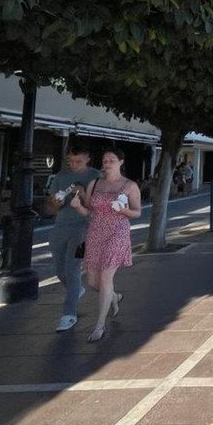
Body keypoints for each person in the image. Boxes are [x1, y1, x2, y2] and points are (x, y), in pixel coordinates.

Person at [69, 147, 140, 343]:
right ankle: (114, 297)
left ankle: (99, 325)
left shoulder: (129, 185)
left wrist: (124, 211)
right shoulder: (94, 184)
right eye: (105, 160)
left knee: (106, 277)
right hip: (95, 232)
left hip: (117, 231)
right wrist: (78, 207)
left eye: (111, 160)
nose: (107, 163)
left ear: (121, 162)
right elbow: (89, 211)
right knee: (93, 282)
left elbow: (137, 212)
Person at [44, 147, 100, 333]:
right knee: (60, 270)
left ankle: (69, 314)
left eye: (79, 162)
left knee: (72, 267)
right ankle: (75, 290)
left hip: (85, 227)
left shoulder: (96, 177)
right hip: (60, 226)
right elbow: (50, 208)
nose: (74, 165)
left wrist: (83, 195)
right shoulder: (61, 176)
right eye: (71, 161)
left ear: (88, 159)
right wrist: (55, 203)